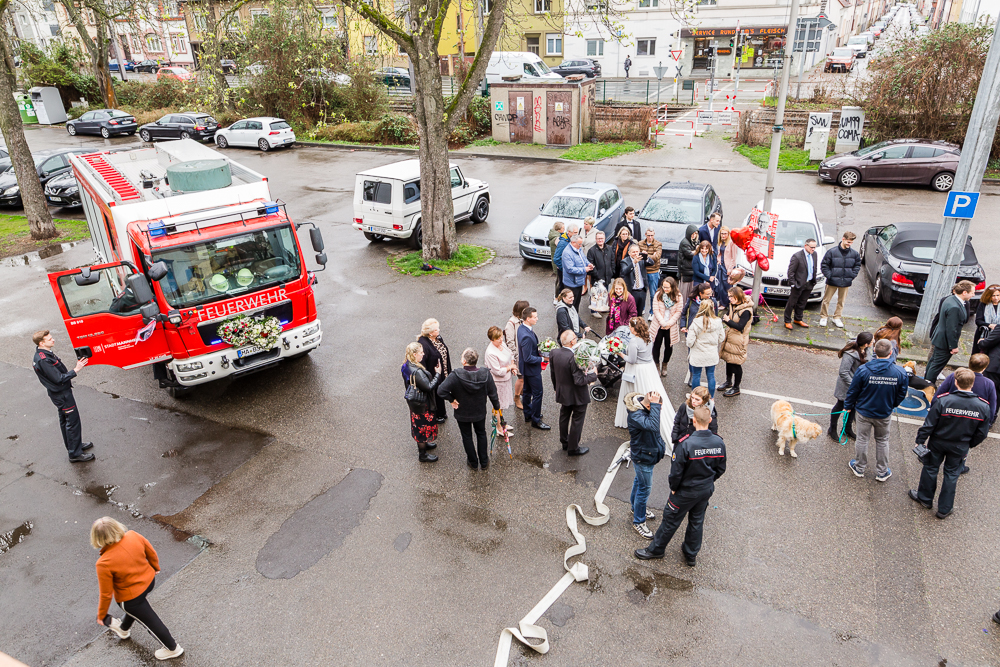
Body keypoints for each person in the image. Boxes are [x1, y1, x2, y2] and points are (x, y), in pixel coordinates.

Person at [634, 405, 726, 567]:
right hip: (705, 490)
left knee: (670, 520)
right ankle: (690, 554)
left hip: (685, 491)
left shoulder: (686, 444)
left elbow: (676, 472)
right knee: (697, 521)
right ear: (710, 420)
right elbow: (721, 469)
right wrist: (708, 482)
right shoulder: (719, 442)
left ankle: (656, 550)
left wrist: (674, 487)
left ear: (694, 421)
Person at [91, 517, 183, 660]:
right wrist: (155, 568)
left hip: (130, 598)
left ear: (97, 538)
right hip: (149, 581)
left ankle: (172, 648)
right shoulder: (133, 535)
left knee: (150, 621)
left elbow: (106, 593)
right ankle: (123, 629)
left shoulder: (103, 563)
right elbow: (151, 552)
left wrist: (102, 615)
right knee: (139, 610)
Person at [909, 368, 990, 519]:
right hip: (961, 445)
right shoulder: (983, 406)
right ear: (972, 384)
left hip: (938, 442)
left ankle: (925, 498)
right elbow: (982, 433)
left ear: (956, 382)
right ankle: (945, 509)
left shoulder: (943, 400)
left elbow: (929, 424)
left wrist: (920, 441)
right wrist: (969, 444)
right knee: (952, 474)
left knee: (931, 468)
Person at [844, 339, 909, 482]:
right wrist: (891, 405)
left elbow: (853, 391)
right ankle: (882, 472)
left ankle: (859, 468)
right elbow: (901, 394)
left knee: (862, 439)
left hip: (864, 411)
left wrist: (848, 407)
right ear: (891, 353)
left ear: (874, 351)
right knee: (882, 440)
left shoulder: (863, 370)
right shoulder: (900, 372)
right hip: (884, 413)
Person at [32, 330, 93, 463]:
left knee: (66, 421)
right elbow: (58, 378)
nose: (53, 340)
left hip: (59, 394)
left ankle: (74, 446)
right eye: (49, 339)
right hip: (62, 395)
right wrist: (76, 369)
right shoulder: (43, 360)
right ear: (41, 343)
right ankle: (75, 454)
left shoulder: (43, 354)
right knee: (72, 422)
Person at [614, 316, 675, 445]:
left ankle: (635, 419)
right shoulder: (649, 337)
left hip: (637, 370)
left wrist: (619, 353)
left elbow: (631, 360)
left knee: (635, 393)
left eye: (630, 326)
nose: (629, 328)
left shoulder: (633, 342)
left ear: (635, 329)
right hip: (649, 368)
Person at [438, 348, 501, 470]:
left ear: (464, 362)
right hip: (479, 411)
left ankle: (473, 462)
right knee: (481, 434)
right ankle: (484, 461)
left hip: (462, 412)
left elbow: (441, 390)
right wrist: (496, 407)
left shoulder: (455, 375)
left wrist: (451, 399)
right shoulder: (485, 374)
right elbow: (493, 393)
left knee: (467, 436)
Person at [625, 391, 668, 539]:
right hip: (643, 458)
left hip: (646, 455)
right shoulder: (637, 416)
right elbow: (654, 426)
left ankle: (635, 509)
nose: (659, 410)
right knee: (644, 489)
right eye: (658, 408)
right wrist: (656, 405)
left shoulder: (641, 411)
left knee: (639, 482)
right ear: (649, 406)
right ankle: (639, 521)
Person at [549, 330, 596, 457]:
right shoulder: (574, 357)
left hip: (563, 392)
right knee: (577, 420)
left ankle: (565, 442)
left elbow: (553, 373)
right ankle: (573, 448)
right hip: (577, 395)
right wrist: (593, 375)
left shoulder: (554, 352)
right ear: (572, 342)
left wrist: (556, 387)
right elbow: (579, 380)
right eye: (575, 337)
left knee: (564, 416)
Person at [925, 281, 975, 383]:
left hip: (939, 337)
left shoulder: (950, 299)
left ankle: (925, 382)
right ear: (964, 292)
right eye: (972, 292)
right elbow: (951, 329)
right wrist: (953, 346)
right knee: (936, 366)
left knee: (933, 362)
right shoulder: (955, 307)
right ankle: (928, 385)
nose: (973, 294)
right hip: (944, 342)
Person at [403, 342, 443, 462]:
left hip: (415, 402)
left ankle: (424, 444)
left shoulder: (406, 366)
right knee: (422, 427)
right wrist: (438, 374)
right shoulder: (418, 372)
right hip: (422, 404)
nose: (423, 354)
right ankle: (423, 454)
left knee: (419, 426)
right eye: (421, 352)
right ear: (414, 354)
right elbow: (429, 387)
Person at [829, 332, 873, 441]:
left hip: (858, 386)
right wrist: (854, 386)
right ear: (866, 344)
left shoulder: (867, 350)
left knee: (853, 406)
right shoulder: (850, 354)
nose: (874, 342)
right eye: (872, 341)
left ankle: (847, 429)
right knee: (840, 405)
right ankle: (832, 429)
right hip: (847, 386)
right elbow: (843, 372)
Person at [819, 231, 861, 328]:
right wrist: (830, 276)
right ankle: (824, 316)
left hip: (845, 281)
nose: (849, 244)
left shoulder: (854, 254)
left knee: (841, 301)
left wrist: (851, 275)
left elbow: (857, 266)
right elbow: (824, 265)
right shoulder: (832, 252)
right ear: (843, 239)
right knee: (826, 300)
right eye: (848, 242)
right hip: (832, 281)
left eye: (851, 242)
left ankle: (837, 317)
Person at [517, 307, 549, 430]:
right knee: (537, 393)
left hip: (526, 369)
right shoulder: (526, 336)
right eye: (535, 317)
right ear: (528, 318)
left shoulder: (522, 328)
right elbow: (528, 358)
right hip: (531, 370)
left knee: (527, 392)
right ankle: (535, 419)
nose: (537, 319)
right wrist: (543, 359)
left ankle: (528, 414)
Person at [686, 300, 726, 397]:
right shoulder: (718, 321)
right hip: (711, 353)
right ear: (713, 308)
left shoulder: (696, 322)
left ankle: (695, 397)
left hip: (698, 354)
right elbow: (721, 338)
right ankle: (711, 397)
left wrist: (693, 345)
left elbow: (689, 341)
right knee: (711, 376)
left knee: (696, 375)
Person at [719, 286, 753, 397]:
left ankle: (736, 387)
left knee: (736, 363)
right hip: (730, 337)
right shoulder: (733, 305)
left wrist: (728, 321)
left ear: (737, 296)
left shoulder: (746, 310)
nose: (729, 299)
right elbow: (728, 319)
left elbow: (740, 327)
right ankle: (728, 382)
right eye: (728, 296)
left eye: (731, 297)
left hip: (739, 340)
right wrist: (727, 321)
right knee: (729, 360)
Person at [418, 318, 452, 423]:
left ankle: (441, 413)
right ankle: (437, 415)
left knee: (440, 392)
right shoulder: (423, 344)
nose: (439, 330)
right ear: (431, 333)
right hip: (434, 374)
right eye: (437, 329)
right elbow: (422, 364)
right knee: (436, 395)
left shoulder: (437, 338)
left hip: (442, 371)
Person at [650, 277, 683, 377]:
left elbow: (678, 311)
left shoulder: (678, 296)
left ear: (672, 287)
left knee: (669, 347)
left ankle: (665, 365)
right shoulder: (658, 295)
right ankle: (656, 365)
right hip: (658, 325)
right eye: (664, 287)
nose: (665, 289)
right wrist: (663, 323)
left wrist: (669, 323)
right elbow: (655, 310)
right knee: (656, 346)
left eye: (668, 287)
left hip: (671, 326)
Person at [784, 238, 819, 329]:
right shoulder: (797, 256)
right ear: (805, 246)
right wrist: (793, 284)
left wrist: (813, 281)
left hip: (809, 283)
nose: (813, 249)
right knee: (792, 303)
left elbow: (814, 268)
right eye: (811, 247)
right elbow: (791, 272)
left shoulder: (814, 254)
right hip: (798, 284)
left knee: (802, 302)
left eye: (815, 247)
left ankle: (798, 319)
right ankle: (787, 320)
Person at [504, 301, 529, 410]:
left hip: (525, 353)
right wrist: (515, 357)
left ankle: (524, 393)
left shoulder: (523, 321)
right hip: (519, 356)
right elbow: (510, 342)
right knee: (521, 377)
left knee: (526, 376)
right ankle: (517, 397)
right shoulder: (511, 324)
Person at [486, 326, 516, 412]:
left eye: (501, 337)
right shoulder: (490, 353)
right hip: (498, 383)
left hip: (506, 380)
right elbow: (498, 371)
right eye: (497, 339)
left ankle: (501, 424)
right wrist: (510, 367)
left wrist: (512, 365)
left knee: (502, 405)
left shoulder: (501, 343)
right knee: (498, 405)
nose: (501, 340)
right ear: (491, 340)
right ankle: (497, 424)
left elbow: (510, 353)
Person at [561, 233, 592, 312]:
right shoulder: (567, 253)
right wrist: (584, 269)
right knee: (571, 304)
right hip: (571, 283)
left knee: (577, 303)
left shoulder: (578, 249)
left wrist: (588, 263)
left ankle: (575, 317)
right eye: (579, 244)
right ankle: (570, 320)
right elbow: (570, 269)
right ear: (573, 243)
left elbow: (583, 259)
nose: (581, 246)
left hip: (578, 281)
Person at [621, 243, 652, 315]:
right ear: (629, 253)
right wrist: (633, 263)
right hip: (632, 291)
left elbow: (651, 263)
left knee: (639, 313)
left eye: (637, 252)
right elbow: (624, 272)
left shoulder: (641, 260)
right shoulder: (625, 261)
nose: (635, 254)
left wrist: (646, 257)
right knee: (630, 312)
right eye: (633, 252)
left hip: (642, 291)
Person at [637, 228, 663, 316]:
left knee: (653, 294)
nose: (650, 237)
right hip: (643, 271)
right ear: (645, 235)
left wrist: (646, 255)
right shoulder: (640, 243)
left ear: (654, 235)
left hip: (653, 272)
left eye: (652, 235)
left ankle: (652, 312)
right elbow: (638, 256)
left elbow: (657, 257)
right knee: (642, 292)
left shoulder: (658, 244)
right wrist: (651, 255)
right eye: (648, 235)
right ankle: (642, 309)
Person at [972, 283, 1000, 354]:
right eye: (993, 296)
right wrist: (989, 325)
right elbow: (978, 321)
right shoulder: (983, 305)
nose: (996, 298)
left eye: (998, 295)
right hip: (984, 333)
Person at [678, 225, 700, 309]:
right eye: (692, 234)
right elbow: (689, 254)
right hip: (685, 272)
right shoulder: (685, 242)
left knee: (691, 293)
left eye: (695, 234)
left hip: (692, 272)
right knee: (683, 295)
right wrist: (698, 250)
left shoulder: (695, 242)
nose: (694, 236)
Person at [553, 223, 576, 301]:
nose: (577, 234)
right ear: (569, 232)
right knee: (561, 286)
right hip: (563, 270)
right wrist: (563, 268)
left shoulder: (572, 240)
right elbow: (556, 258)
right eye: (575, 233)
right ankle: (558, 300)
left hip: (569, 269)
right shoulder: (563, 243)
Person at [548, 221, 565, 287]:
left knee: (558, 280)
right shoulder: (557, 238)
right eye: (563, 228)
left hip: (555, 261)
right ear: (559, 229)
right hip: (558, 263)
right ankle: (557, 295)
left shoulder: (553, 234)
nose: (564, 230)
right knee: (559, 281)